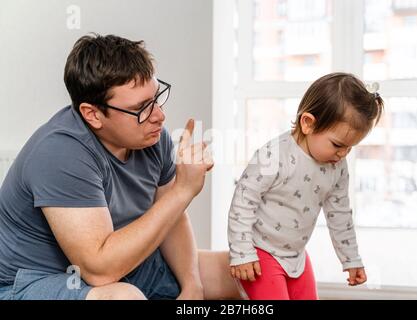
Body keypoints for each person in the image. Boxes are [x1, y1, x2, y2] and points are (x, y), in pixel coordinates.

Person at [0, 34, 240, 300]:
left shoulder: (152, 135)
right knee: (124, 297)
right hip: (34, 281)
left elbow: (171, 219)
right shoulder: (60, 153)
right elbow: (99, 271)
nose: (160, 116)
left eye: (156, 97)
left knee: (247, 270)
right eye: (141, 108)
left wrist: (193, 287)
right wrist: (183, 191)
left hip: (123, 262)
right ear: (93, 114)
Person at [227, 72, 384, 300]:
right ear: (308, 123)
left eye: (350, 148)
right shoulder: (274, 155)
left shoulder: (337, 166)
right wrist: (242, 253)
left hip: (296, 255)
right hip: (259, 251)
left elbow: (339, 214)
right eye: (338, 145)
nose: (343, 154)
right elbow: (243, 202)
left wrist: (351, 258)